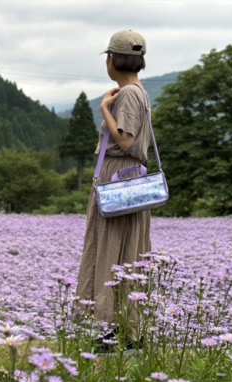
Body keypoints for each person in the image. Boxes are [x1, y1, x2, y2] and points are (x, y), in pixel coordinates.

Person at [75, 30, 152, 351]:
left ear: (113, 60)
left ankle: (116, 330)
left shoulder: (129, 94)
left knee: (112, 249)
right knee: (125, 251)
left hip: (120, 178)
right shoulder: (138, 91)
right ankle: (127, 329)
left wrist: (105, 110)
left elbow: (125, 141)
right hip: (128, 179)